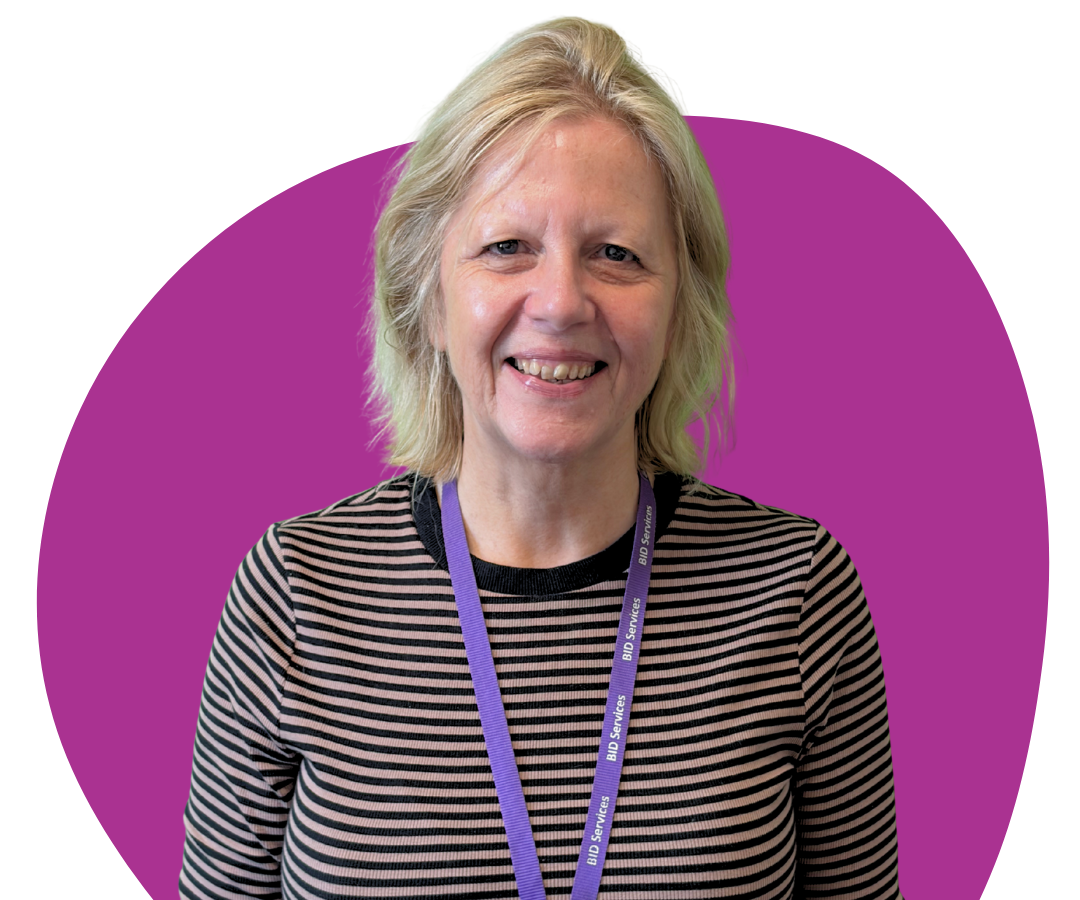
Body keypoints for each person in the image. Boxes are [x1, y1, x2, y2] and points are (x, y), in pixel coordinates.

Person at [180, 17, 902, 900]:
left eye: (616, 254)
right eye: (506, 247)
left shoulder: (794, 592)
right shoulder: (296, 592)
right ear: (429, 303)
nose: (561, 301)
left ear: (679, 307)